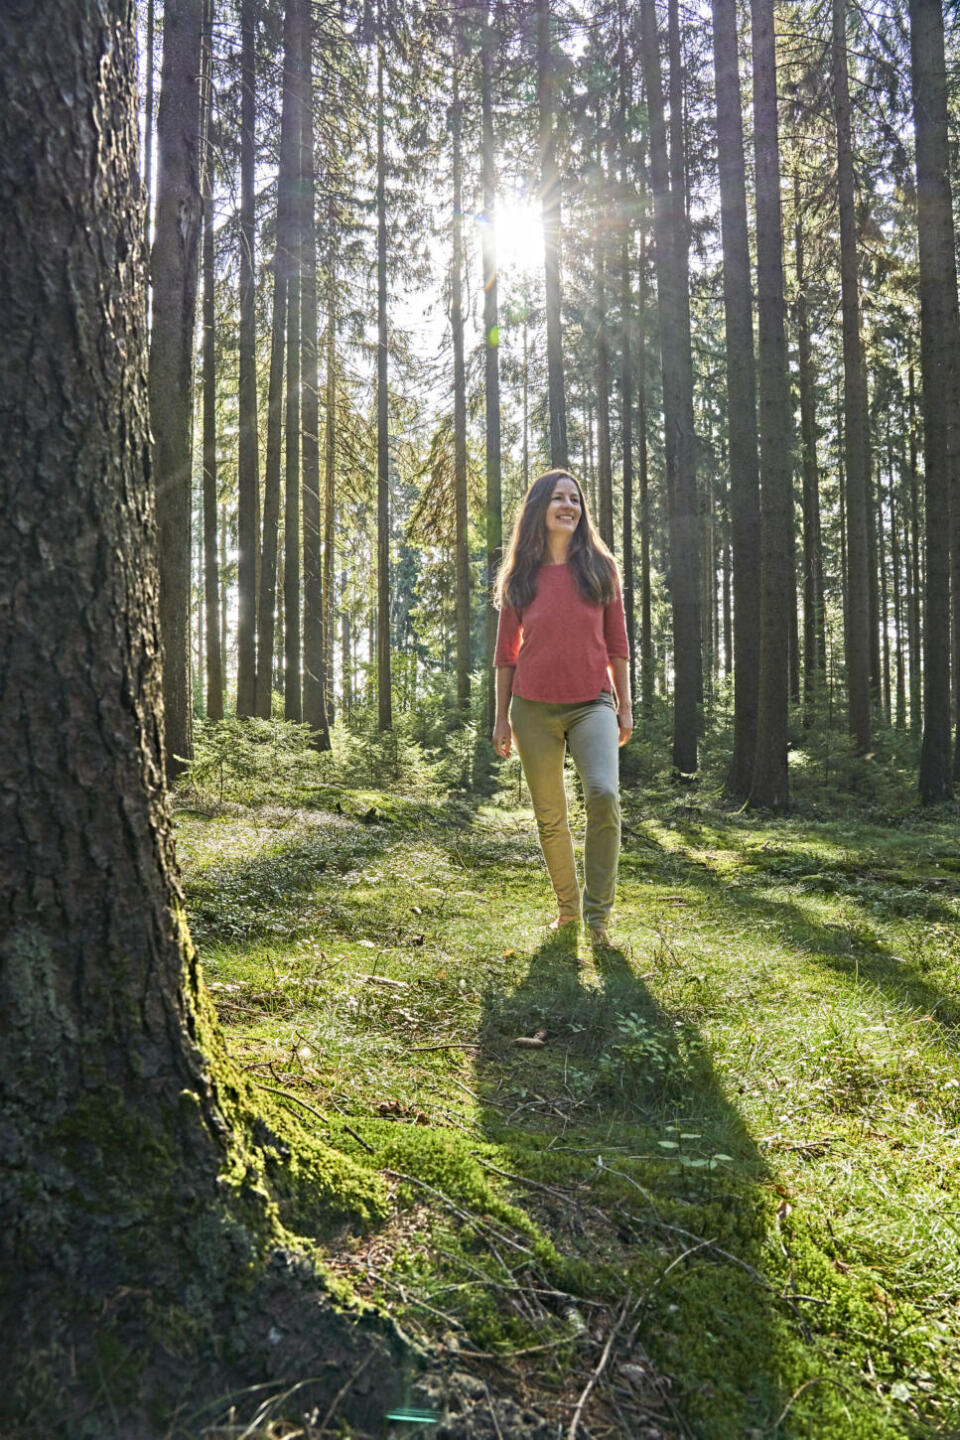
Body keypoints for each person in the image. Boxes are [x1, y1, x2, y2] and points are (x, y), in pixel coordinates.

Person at [492, 469, 632, 946]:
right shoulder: (520, 575)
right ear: (539, 508)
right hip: (532, 709)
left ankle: (598, 917)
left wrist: (625, 706)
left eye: (575, 498)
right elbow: (505, 655)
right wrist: (500, 718)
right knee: (551, 815)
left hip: (593, 702)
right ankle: (568, 912)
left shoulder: (600, 568)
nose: (568, 506)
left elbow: (617, 644)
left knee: (604, 795)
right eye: (558, 498)